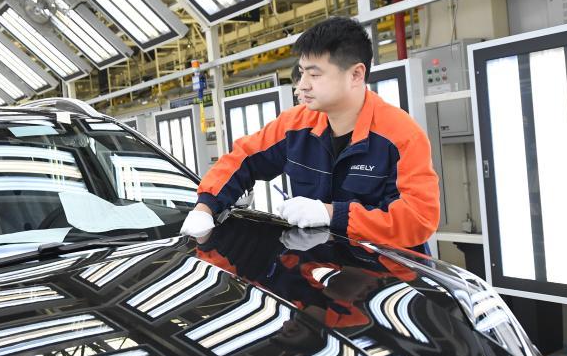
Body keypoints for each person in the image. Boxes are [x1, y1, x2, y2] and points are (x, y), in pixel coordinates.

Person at [181, 16, 440, 252]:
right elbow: (243, 158)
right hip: (319, 269)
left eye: (314, 74)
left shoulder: (401, 136)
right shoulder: (295, 125)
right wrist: (205, 207)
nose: (302, 85)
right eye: (302, 72)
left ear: (356, 74)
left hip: (388, 273)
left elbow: (418, 219)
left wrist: (332, 214)